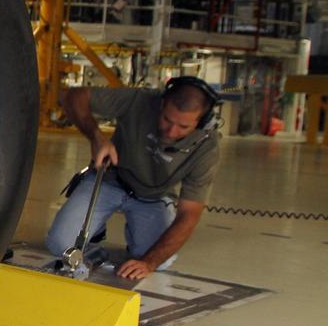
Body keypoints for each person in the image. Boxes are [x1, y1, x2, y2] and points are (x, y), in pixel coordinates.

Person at [45, 78, 221, 281]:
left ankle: (138, 236)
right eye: (166, 119)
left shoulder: (207, 148)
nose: (171, 131)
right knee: (60, 245)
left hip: (153, 197)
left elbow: (189, 214)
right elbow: (73, 96)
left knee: (160, 262)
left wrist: (149, 262)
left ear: (202, 121)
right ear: (162, 104)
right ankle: (95, 227)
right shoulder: (139, 100)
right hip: (109, 181)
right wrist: (96, 136)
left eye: (183, 126)